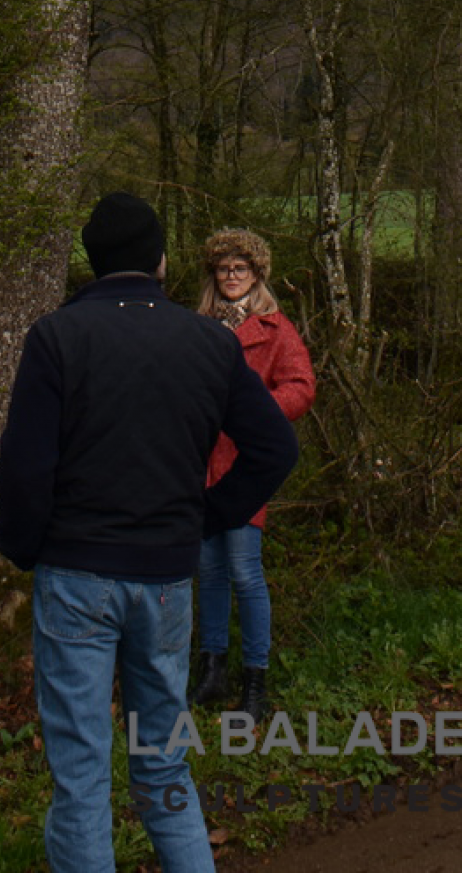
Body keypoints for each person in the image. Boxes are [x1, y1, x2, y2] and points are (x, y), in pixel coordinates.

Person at [0, 190, 298, 873]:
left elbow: (24, 466)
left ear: (92, 265)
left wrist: (21, 546)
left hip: (77, 573)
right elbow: (275, 448)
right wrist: (210, 514)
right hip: (165, 576)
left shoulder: (57, 337)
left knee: (81, 780)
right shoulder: (208, 342)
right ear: (161, 263)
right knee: (164, 767)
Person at [193, 227, 315, 723]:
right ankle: (213, 671)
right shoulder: (196, 328)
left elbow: (301, 386)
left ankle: (255, 680)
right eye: (224, 269)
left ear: (257, 274)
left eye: (240, 269)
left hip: (246, 464)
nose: (232, 277)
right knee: (209, 572)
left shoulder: (275, 328)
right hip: (199, 465)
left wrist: (257, 413)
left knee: (245, 571)